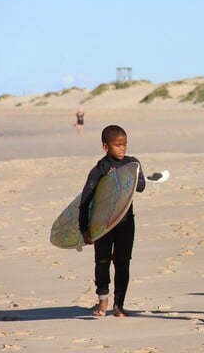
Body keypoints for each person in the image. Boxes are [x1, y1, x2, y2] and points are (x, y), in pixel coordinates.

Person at [79, 125, 146, 317]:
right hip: (103, 225)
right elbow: (85, 200)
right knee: (102, 261)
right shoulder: (99, 169)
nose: (122, 148)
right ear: (105, 146)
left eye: (124, 144)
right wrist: (84, 229)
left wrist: (126, 177)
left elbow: (140, 186)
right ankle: (102, 299)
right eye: (118, 145)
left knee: (123, 262)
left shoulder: (132, 163)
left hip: (125, 222)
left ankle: (119, 304)